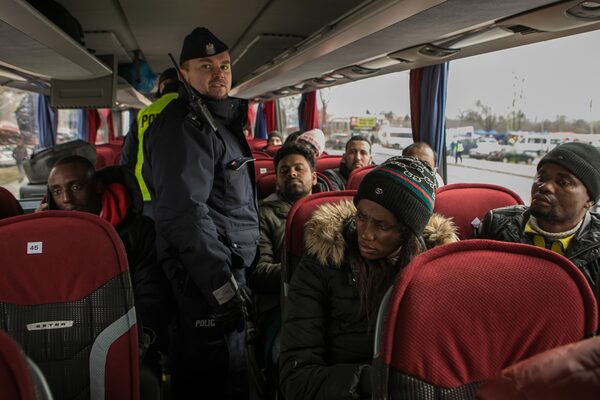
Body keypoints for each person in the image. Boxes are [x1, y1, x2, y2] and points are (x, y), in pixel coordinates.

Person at [279, 156, 458, 400]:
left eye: (382, 226)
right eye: (361, 217)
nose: (366, 234)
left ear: (408, 233)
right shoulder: (322, 263)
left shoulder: (434, 271)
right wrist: (371, 381)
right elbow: (295, 377)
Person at [142, 27, 259, 399]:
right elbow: (184, 215)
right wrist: (222, 289)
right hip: (205, 281)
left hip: (222, 271)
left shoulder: (216, 122)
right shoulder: (185, 127)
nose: (219, 73)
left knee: (228, 372)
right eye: (206, 66)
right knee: (215, 378)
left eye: (225, 65)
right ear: (184, 74)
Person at [38, 155, 171, 399]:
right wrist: (40, 237)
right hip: (63, 338)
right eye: (56, 191)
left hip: (123, 337)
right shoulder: (47, 238)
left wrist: (138, 342)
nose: (66, 199)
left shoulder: (138, 231)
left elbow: (151, 296)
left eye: (76, 187)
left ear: (98, 186)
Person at [476, 142, 600, 304]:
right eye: (541, 177)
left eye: (563, 182)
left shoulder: (596, 247)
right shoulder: (496, 224)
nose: (545, 186)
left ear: (590, 200)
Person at [249, 143, 316, 399]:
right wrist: (307, 274)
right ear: (276, 180)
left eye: (299, 168)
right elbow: (259, 272)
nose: (292, 173)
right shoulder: (262, 215)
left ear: (314, 176)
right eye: (284, 170)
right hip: (281, 307)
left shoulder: (333, 210)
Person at [120, 68, 180, 212]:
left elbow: (129, 154)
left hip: (146, 188)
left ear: (162, 86)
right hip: (183, 189)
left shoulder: (144, 113)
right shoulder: (193, 109)